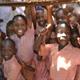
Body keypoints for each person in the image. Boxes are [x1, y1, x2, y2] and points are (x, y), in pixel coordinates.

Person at [11, 14, 35, 80]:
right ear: (12, 26)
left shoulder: (30, 33)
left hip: (30, 66)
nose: (20, 27)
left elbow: (28, 13)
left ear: (27, 26)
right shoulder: (11, 38)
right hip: (18, 68)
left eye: (23, 25)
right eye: (16, 25)